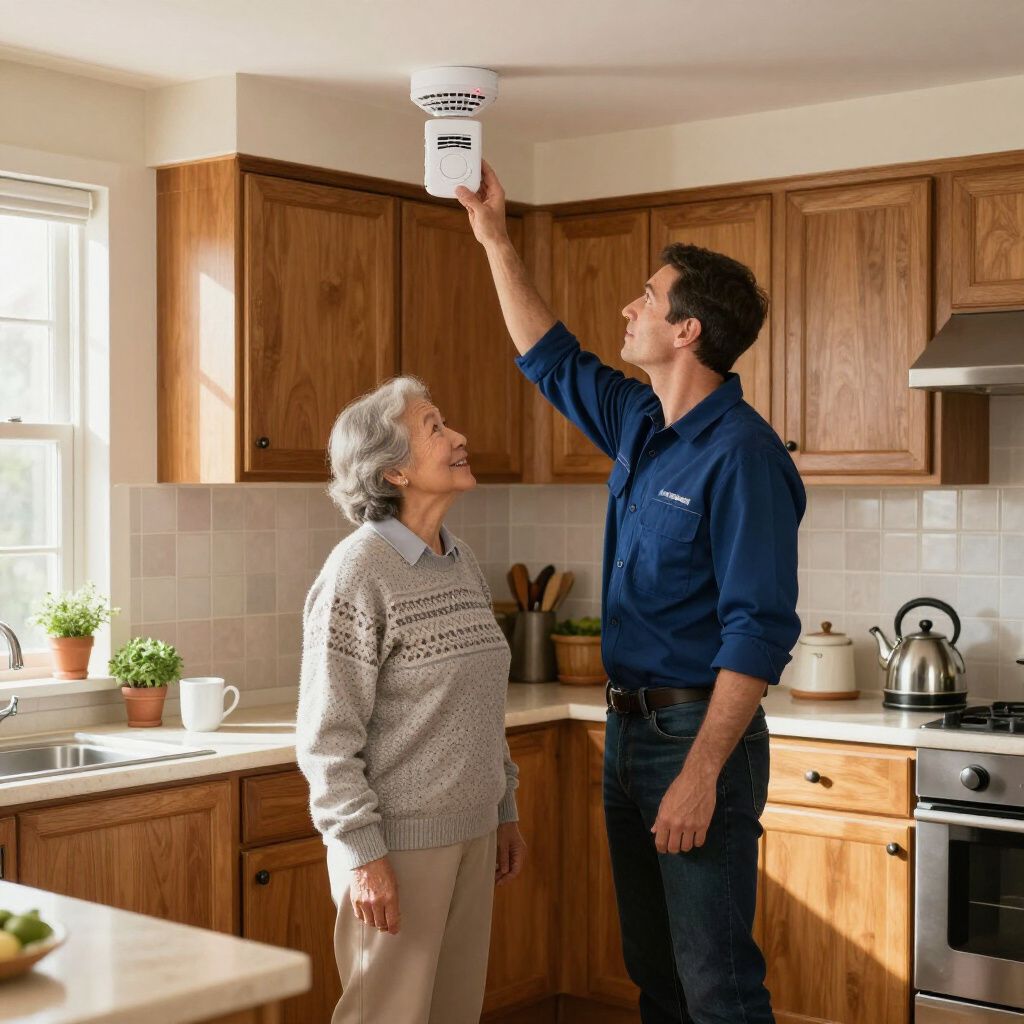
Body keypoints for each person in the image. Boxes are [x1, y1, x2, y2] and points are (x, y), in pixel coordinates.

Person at [456, 164, 804, 1024]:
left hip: (694, 737)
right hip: (626, 731)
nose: (628, 310)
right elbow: (549, 356)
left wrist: (700, 773)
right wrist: (496, 236)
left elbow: (757, 631)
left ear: (685, 331)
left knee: (717, 981)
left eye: (645, 300)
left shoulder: (745, 457)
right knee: (654, 972)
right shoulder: (642, 421)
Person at [296, 376, 527, 1024]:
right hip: (396, 847)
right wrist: (363, 857)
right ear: (394, 468)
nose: (458, 438)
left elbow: (481, 705)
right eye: (435, 428)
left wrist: (504, 807)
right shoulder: (357, 572)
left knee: (455, 1014)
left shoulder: (460, 561)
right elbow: (325, 739)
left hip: (473, 834)